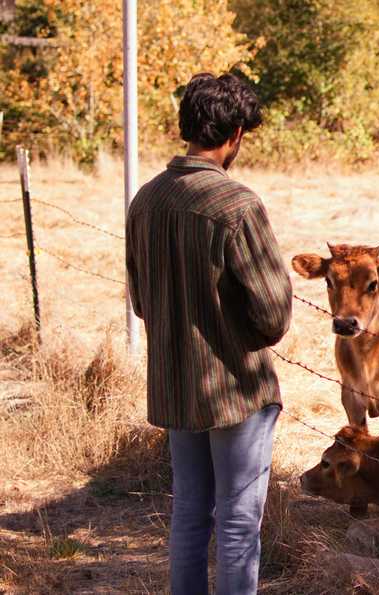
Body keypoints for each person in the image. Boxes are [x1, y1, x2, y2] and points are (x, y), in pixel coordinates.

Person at [125, 72, 292, 595]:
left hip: (175, 384)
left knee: (190, 516)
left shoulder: (145, 200)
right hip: (236, 390)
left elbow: (140, 302)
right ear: (235, 133)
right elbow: (273, 316)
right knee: (239, 525)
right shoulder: (236, 206)